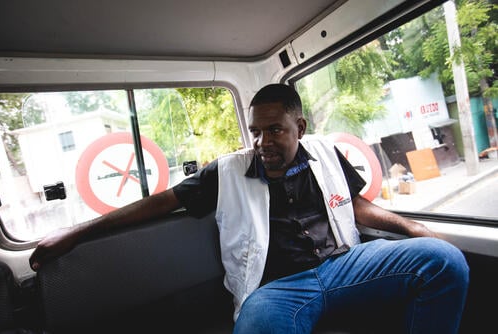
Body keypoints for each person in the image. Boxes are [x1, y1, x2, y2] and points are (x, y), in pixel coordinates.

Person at [29, 83, 469, 333]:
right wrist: (76, 232)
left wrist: (414, 229)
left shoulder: (327, 153)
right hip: (276, 287)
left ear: (299, 125)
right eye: (256, 132)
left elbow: (357, 207)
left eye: (275, 130)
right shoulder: (227, 171)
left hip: (346, 263)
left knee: (444, 261)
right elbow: (157, 203)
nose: (262, 143)